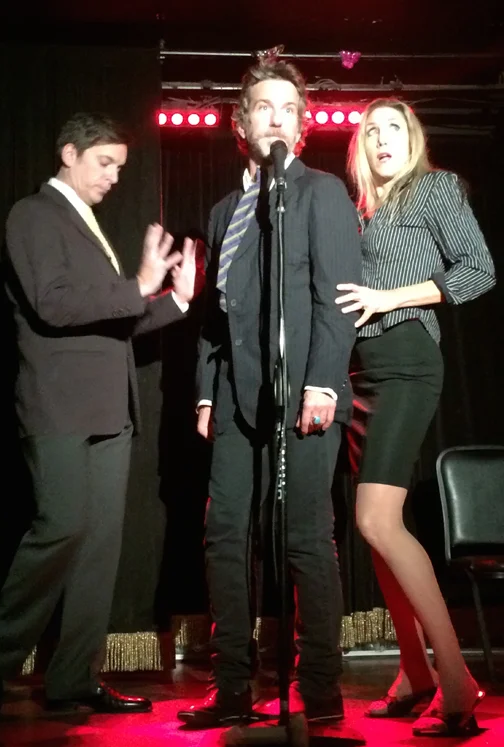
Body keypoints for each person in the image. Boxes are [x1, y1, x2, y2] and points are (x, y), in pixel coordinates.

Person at [0, 112, 196, 715]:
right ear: (69, 153)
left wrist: (175, 299)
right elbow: (53, 304)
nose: (114, 176)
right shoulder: (33, 215)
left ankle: (74, 679)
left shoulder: (88, 222)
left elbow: (113, 320)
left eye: (120, 166)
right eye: (104, 162)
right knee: (59, 529)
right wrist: (138, 283)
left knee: (98, 550)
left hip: (109, 411)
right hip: (58, 407)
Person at [177, 60, 362, 729]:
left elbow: (336, 300)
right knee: (225, 534)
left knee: (305, 539)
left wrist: (322, 381)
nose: (276, 117)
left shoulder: (321, 192)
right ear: (242, 122)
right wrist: (206, 392)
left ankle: (320, 686)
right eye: (263, 106)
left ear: (302, 125)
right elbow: (216, 316)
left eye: (288, 108)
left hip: (305, 392)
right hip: (236, 400)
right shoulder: (225, 211)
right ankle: (231, 683)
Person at [336, 98, 496, 737]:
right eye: (371, 130)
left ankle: (456, 679)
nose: (382, 138)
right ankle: (414, 671)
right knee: (376, 529)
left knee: (376, 519)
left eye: (394, 128)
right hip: (360, 375)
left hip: (407, 360)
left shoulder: (434, 189)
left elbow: (480, 271)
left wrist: (388, 297)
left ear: (413, 139)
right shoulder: (357, 214)